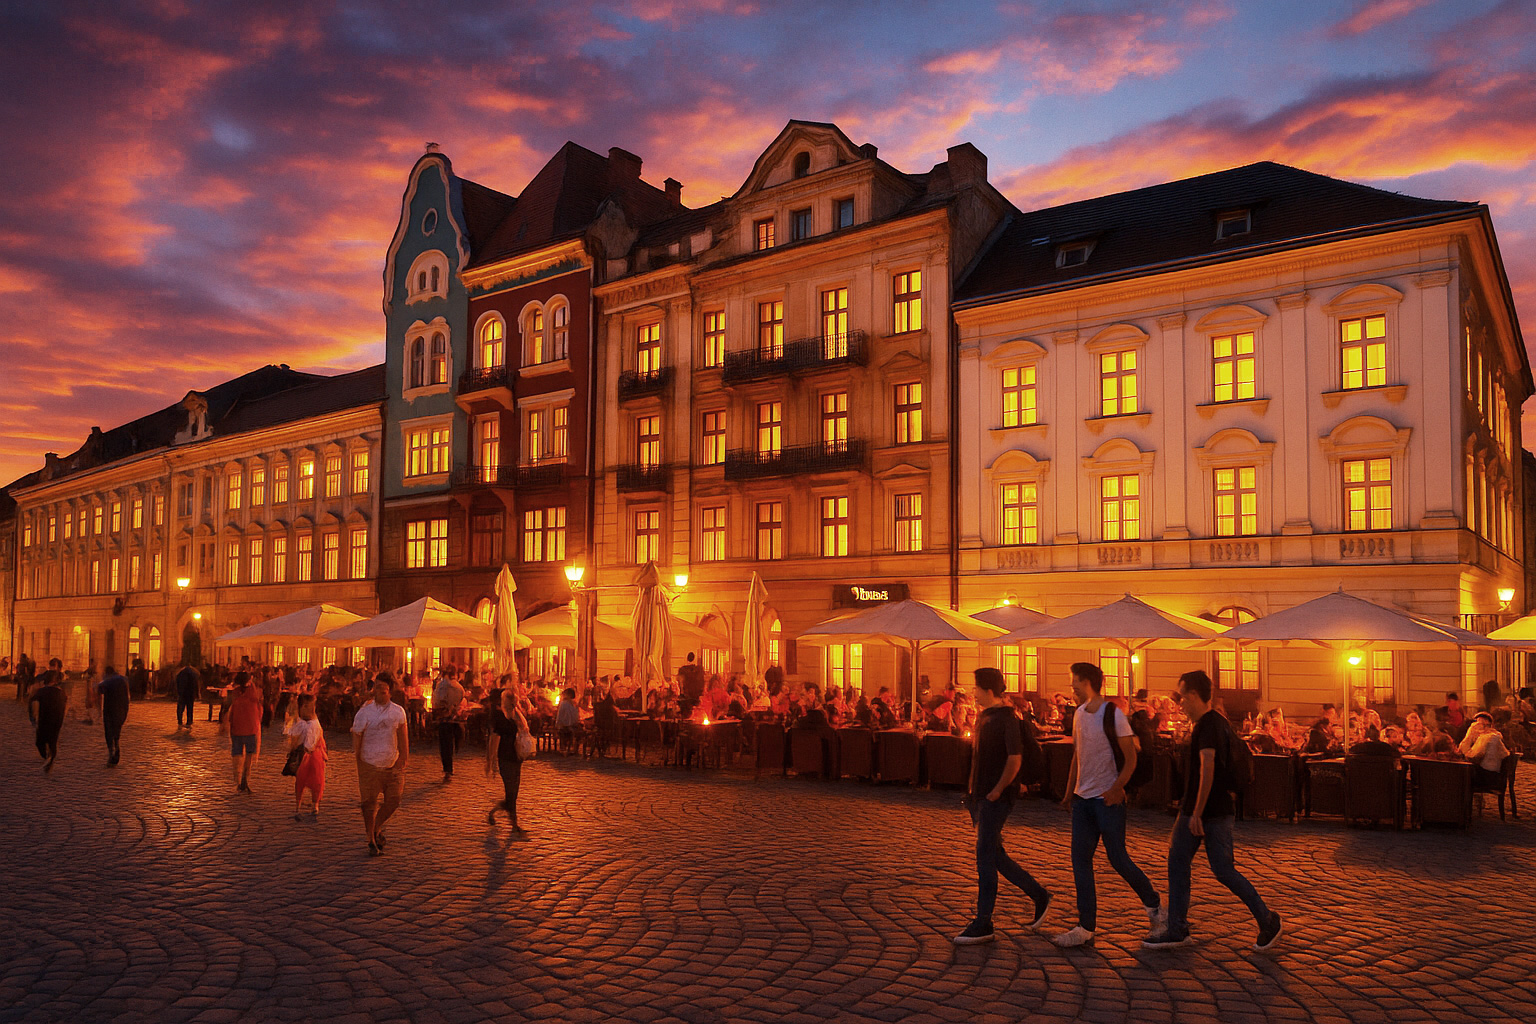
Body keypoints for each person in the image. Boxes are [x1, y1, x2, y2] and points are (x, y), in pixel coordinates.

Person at [1145, 671, 1282, 950]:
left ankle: (1267, 920)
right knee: (1179, 861)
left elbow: (1207, 768)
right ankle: (1177, 927)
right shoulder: (1217, 722)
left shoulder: (1208, 726)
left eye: (1182, 697)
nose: (1179, 704)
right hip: (1204, 808)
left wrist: (1197, 812)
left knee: (1222, 870)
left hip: (1208, 810)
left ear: (1194, 696)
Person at [1053, 662, 1162, 948]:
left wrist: (1117, 789)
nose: (1072, 687)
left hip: (1106, 800)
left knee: (1118, 859)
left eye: (1074, 681)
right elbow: (1078, 755)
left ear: (1087, 682)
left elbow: (1131, 757)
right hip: (1082, 800)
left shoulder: (1112, 714)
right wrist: (1069, 792)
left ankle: (1155, 907)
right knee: (1080, 861)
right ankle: (1085, 926)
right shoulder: (1077, 714)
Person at [954, 668, 1051, 945]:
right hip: (981, 797)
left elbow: (1015, 759)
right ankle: (1039, 895)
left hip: (996, 798)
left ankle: (984, 921)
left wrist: (996, 791)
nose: (972, 693)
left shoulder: (1007, 718)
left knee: (985, 858)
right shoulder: (985, 716)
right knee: (996, 856)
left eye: (975, 688)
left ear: (987, 690)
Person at [352, 674, 409, 856]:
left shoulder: (398, 712)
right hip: (369, 763)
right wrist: (359, 761)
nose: (380, 690)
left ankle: (377, 827)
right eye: (377, 687)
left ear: (390, 690)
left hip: (392, 763)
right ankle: (371, 839)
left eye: (383, 687)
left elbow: (403, 736)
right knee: (369, 804)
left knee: (394, 799)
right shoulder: (365, 713)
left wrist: (403, 759)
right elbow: (357, 736)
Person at [486, 687, 530, 835]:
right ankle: (514, 824)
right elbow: (494, 739)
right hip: (505, 758)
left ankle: (496, 811)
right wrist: (491, 762)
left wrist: (516, 710)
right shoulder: (499, 717)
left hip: (516, 757)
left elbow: (525, 727)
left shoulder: (514, 715)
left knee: (513, 793)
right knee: (511, 791)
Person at [284, 694, 327, 820]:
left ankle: (314, 805)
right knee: (302, 780)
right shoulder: (302, 722)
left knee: (316, 781)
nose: (311, 709)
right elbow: (294, 738)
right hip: (305, 755)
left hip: (314, 756)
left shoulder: (314, 723)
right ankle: (300, 806)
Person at [227, 673, 263, 793]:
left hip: (236, 727)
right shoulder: (253, 692)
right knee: (249, 755)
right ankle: (245, 779)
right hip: (251, 728)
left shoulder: (235, 693)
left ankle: (237, 781)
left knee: (237, 754)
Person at [432, 664, 466, 781]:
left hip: (444, 719)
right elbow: (462, 701)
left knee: (445, 745)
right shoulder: (459, 687)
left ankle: (448, 769)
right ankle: (450, 766)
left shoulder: (441, 686)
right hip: (455, 719)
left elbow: (436, 702)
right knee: (452, 742)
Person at [1460, 712, 1510, 790]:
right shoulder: (1493, 735)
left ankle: (1463, 800)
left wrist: (1469, 735)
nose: (1476, 727)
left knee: (1460, 776)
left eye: (1478, 724)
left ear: (1487, 725)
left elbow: (1473, 757)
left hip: (1489, 777)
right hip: (1491, 774)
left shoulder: (1489, 737)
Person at [29, 670, 67, 771]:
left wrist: (35, 716)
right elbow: (66, 705)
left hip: (44, 719)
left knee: (40, 741)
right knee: (53, 740)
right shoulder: (61, 692)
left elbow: (35, 704)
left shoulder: (41, 691)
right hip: (57, 720)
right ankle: (51, 757)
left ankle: (47, 757)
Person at [95, 664, 130, 766]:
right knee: (116, 732)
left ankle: (112, 753)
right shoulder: (123, 680)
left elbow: (99, 690)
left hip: (110, 710)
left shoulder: (108, 682)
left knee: (109, 732)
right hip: (121, 709)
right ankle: (116, 748)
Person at [174, 662, 200, 733]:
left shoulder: (180, 673)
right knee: (190, 707)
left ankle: (180, 721)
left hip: (182, 693)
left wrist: (178, 691)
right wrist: (197, 693)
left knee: (180, 707)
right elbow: (196, 684)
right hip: (190, 693)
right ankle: (189, 721)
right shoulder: (194, 673)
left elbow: (177, 682)